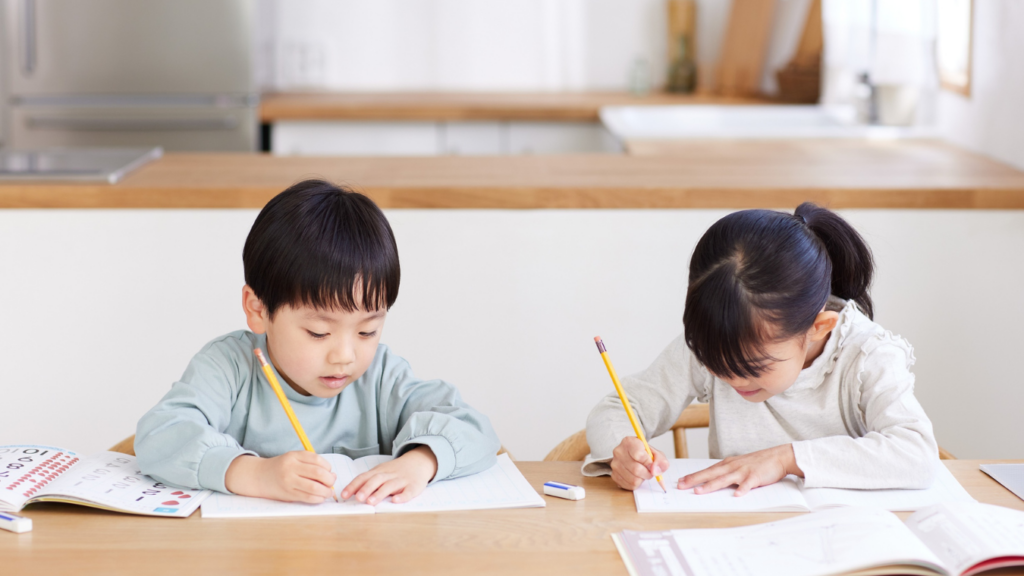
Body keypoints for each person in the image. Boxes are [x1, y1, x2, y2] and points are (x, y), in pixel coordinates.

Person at [136, 180, 500, 505]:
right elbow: (159, 435)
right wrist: (254, 474)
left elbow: (477, 431)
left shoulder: (382, 376)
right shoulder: (230, 367)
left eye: (367, 332)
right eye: (318, 333)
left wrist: (420, 462)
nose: (344, 356)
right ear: (258, 308)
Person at [583, 202, 938, 495]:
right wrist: (623, 447)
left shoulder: (866, 356)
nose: (730, 377)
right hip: (736, 535)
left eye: (753, 365)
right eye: (715, 361)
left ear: (818, 327)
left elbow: (917, 454)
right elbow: (616, 407)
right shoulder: (716, 347)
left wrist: (786, 459)